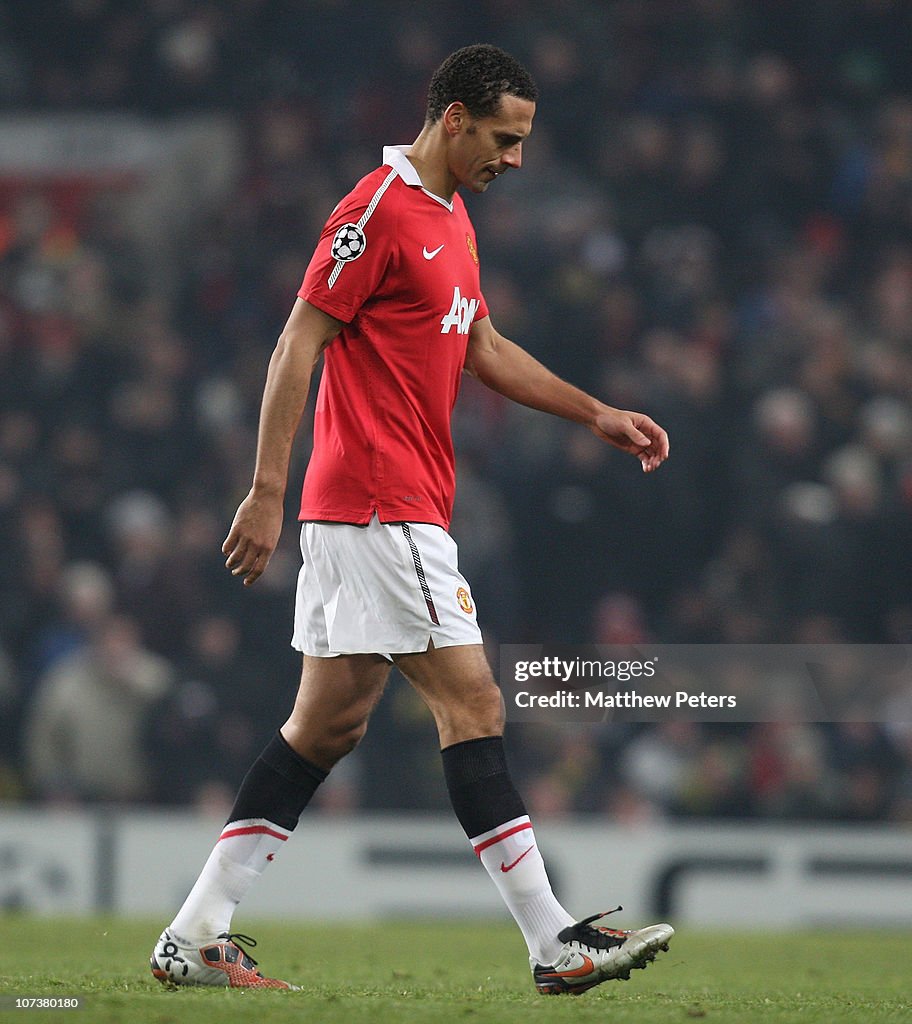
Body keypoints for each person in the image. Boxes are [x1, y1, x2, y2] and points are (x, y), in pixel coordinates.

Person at [151, 43, 673, 996]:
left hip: (382, 510)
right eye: (505, 139)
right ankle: (555, 940)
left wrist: (594, 411)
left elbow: (482, 344)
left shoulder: (451, 218)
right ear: (454, 118)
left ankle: (196, 932)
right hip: (382, 505)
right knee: (471, 704)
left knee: (326, 725)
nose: (515, 159)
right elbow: (296, 340)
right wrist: (266, 489)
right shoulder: (375, 212)